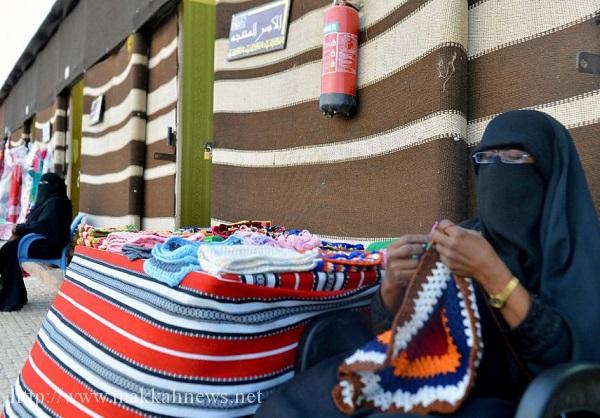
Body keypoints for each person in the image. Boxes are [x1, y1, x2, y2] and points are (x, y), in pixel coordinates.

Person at [255, 110, 600, 417]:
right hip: (432, 374)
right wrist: (393, 288)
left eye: (514, 157)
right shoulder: (466, 237)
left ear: (550, 172)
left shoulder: (579, 259)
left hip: (512, 399)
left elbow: (573, 365)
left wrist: (491, 272)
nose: (497, 169)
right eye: (486, 157)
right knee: (296, 401)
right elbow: (402, 332)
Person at [0, 173, 71, 311]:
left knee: (9, 251)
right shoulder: (52, 201)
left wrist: (21, 229)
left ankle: (13, 296)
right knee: (8, 249)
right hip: (42, 242)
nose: (43, 188)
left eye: (46, 184)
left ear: (55, 186)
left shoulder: (56, 203)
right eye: (41, 184)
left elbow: (45, 226)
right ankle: (15, 294)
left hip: (49, 247)